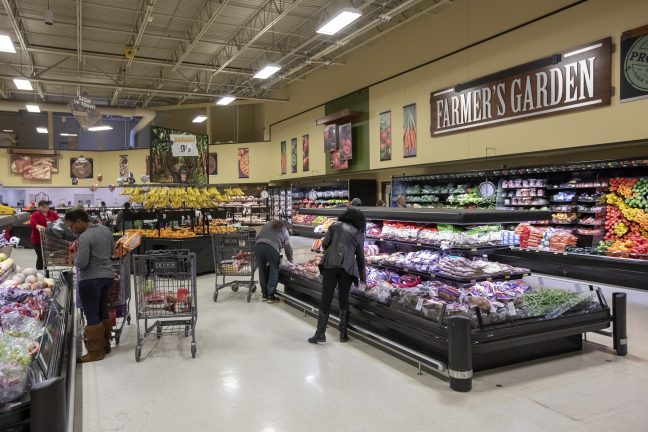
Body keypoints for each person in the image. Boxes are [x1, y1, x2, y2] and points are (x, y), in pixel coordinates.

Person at [308, 208, 366, 344]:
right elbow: (360, 258)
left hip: (330, 265)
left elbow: (325, 243)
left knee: (326, 298)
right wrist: (363, 279)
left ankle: (320, 333)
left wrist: (331, 252)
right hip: (348, 268)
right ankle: (343, 334)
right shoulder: (358, 233)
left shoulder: (334, 226)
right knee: (343, 298)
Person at [65, 208, 115, 363]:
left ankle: (95, 353)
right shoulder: (106, 230)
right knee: (103, 311)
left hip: (90, 280)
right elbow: (113, 251)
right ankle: (105, 345)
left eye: (71, 225)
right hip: (108, 277)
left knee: (92, 315)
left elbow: (82, 263)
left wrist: (74, 257)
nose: (71, 229)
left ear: (80, 221)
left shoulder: (85, 237)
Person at [256, 220, 294, 303]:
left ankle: (265, 294)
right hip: (271, 247)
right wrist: (290, 261)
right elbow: (288, 247)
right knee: (274, 269)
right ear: (286, 226)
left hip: (258, 245)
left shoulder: (266, 225)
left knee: (262, 270)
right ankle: (270, 295)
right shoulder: (284, 229)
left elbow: (259, 236)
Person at [29, 200, 59, 274]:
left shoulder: (52, 213)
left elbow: (59, 221)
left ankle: (45, 272)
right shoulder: (36, 214)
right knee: (40, 256)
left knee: (46, 257)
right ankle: (40, 273)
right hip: (37, 240)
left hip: (49, 240)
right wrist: (37, 225)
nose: (45, 207)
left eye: (47, 205)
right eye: (43, 206)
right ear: (39, 207)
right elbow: (32, 222)